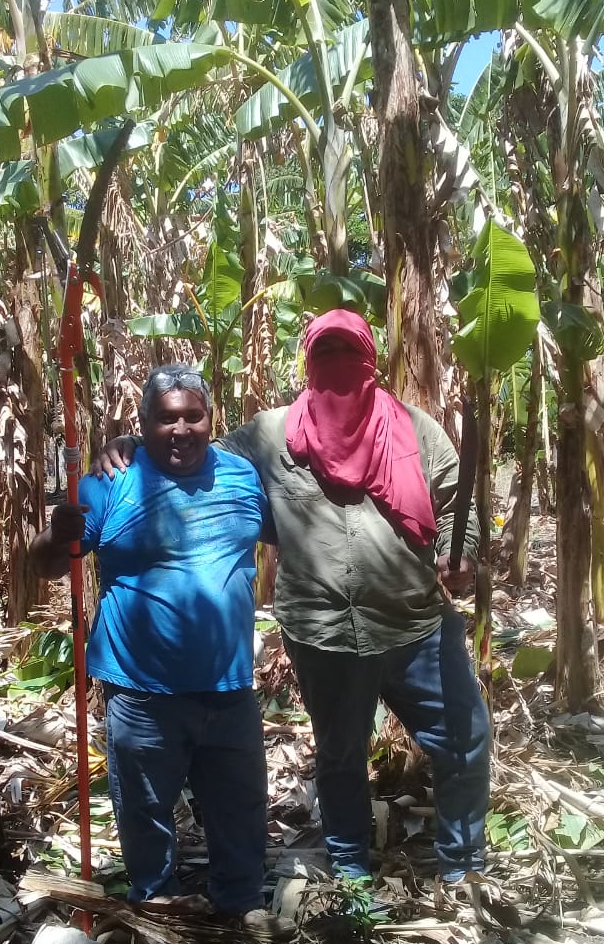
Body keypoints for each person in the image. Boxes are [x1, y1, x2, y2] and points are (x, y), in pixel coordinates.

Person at [96, 312, 491, 887]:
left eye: (348, 354)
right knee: (340, 758)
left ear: (370, 360)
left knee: (466, 738)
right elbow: (196, 458)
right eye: (324, 355)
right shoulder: (270, 434)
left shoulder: (415, 429)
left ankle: (464, 866)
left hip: (415, 623)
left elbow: (459, 505)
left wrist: (465, 557)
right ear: (308, 365)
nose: (338, 371)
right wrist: (137, 445)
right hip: (323, 631)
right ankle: (352, 871)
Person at [30, 364, 291, 936]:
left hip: (228, 686)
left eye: (191, 416)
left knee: (241, 805)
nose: (180, 429)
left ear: (210, 419)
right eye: (165, 418)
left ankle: (240, 902)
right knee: (145, 812)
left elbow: (301, 529)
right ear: (143, 424)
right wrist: (57, 531)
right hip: (141, 689)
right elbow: (48, 563)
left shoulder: (244, 478)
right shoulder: (111, 480)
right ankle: (158, 908)